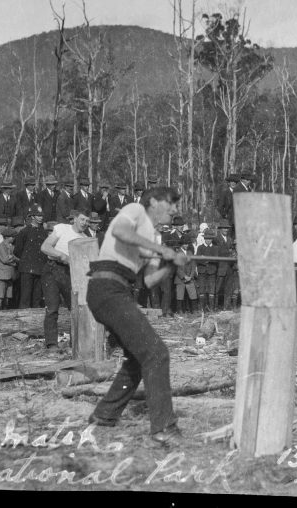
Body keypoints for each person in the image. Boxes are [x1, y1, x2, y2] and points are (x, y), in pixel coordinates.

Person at [83, 185, 188, 445]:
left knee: (139, 358)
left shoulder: (156, 237)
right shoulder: (135, 210)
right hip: (105, 287)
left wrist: (171, 264)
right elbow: (119, 231)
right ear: (153, 201)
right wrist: (158, 249)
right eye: (170, 203)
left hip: (119, 291)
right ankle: (163, 428)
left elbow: (151, 280)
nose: (175, 210)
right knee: (156, 352)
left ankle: (105, 415)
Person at [40, 210, 90, 350]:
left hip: (70, 273)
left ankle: (75, 344)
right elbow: (45, 247)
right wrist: (62, 256)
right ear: (74, 219)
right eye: (82, 219)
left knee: (75, 309)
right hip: (52, 269)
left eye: (87, 221)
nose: (85, 223)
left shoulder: (85, 238)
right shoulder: (62, 229)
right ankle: (51, 345)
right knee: (52, 308)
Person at [14, 204, 48, 309]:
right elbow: (18, 251)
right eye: (38, 215)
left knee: (37, 298)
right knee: (25, 297)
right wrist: (26, 260)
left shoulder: (44, 232)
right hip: (27, 268)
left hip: (40, 268)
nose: (41, 217)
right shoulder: (24, 232)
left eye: (42, 215)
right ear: (32, 216)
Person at [0, 225, 19, 311]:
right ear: (7, 237)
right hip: (2, 274)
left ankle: (5, 312)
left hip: (11, 275)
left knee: (8, 296)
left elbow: (17, 258)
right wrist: (14, 262)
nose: (13, 238)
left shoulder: (13, 246)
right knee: (0, 296)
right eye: (12, 237)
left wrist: (12, 257)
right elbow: (4, 259)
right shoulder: (1, 246)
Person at [195, 233, 218, 311]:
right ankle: (202, 308)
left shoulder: (215, 248)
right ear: (204, 239)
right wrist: (207, 260)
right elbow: (197, 259)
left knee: (211, 290)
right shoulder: (200, 247)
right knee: (202, 290)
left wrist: (204, 258)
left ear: (212, 239)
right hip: (202, 271)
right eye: (207, 239)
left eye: (210, 239)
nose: (208, 240)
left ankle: (211, 308)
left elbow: (216, 259)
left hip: (211, 271)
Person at [174, 244, 198, 314]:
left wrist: (190, 276)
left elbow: (193, 266)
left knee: (193, 294)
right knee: (180, 295)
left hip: (190, 277)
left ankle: (194, 310)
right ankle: (180, 310)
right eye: (184, 244)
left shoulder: (190, 253)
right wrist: (184, 276)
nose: (186, 245)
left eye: (187, 244)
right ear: (182, 244)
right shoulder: (177, 253)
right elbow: (177, 268)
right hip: (180, 278)